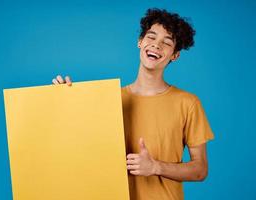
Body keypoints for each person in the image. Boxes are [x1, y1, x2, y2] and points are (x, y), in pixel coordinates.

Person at [52, 8, 214, 200]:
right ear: (140, 42)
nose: (156, 45)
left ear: (175, 55)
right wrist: (63, 101)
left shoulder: (188, 103)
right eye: (151, 37)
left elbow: (200, 170)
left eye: (166, 43)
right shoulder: (108, 99)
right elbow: (75, 145)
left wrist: (155, 166)